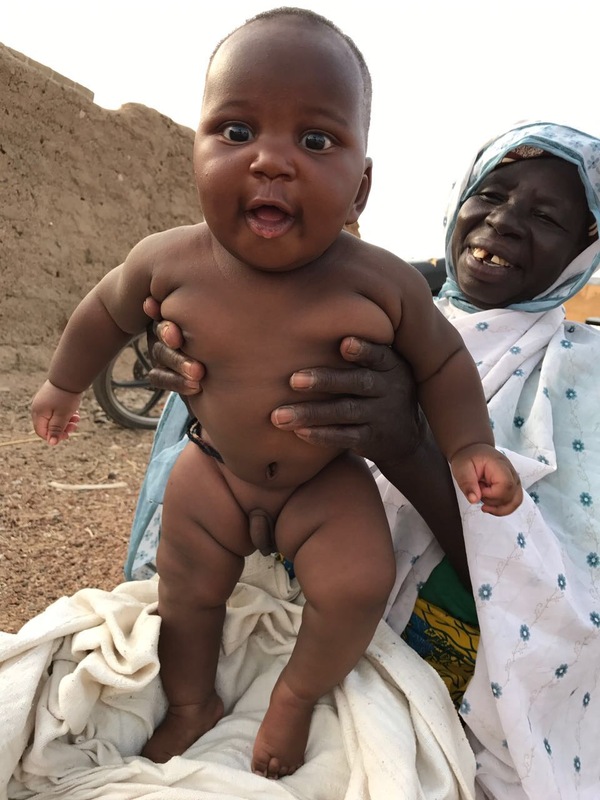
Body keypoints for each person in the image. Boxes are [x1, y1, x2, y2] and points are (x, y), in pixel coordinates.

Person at [30, 7, 522, 780]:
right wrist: (62, 383)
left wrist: (469, 445)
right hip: (212, 472)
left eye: (315, 140)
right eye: (235, 131)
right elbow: (103, 308)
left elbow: (444, 364)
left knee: (358, 585)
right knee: (185, 597)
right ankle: (192, 702)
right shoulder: (167, 261)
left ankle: (295, 695)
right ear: (194, 153)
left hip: (322, 482)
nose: (270, 160)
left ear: (359, 186)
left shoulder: (382, 281)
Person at [138, 120, 600, 799]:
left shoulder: (580, 383)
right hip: (251, 617)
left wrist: (409, 448)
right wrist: (189, 364)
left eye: (547, 216)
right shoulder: (375, 299)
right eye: (492, 193)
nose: (502, 222)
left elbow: (559, 612)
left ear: (585, 248)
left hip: (440, 688)